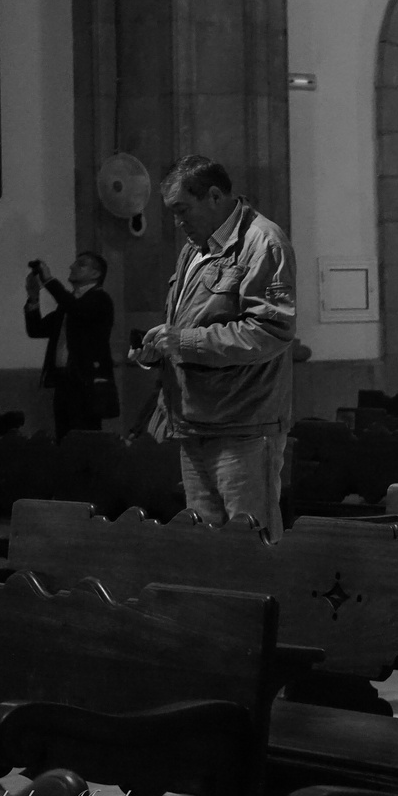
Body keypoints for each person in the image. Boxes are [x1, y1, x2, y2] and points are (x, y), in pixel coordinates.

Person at [130, 155, 295, 539]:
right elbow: (195, 321)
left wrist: (183, 341)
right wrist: (162, 345)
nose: (177, 222)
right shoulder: (196, 246)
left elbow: (270, 331)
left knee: (252, 545)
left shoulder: (262, 242)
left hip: (243, 423)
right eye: (172, 212)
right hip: (194, 419)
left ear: (215, 196)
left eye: (183, 210)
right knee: (206, 547)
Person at [24, 251, 116, 438]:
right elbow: (37, 329)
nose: (72, 267)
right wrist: (33, 299)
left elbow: (78, 310)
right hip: (63, 380)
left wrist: (49, 280)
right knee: (64, 438)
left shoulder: (100, 300)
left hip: (85, 382)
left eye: (81, 264)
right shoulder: (69, 304)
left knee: (84, 439)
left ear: (95, 274)